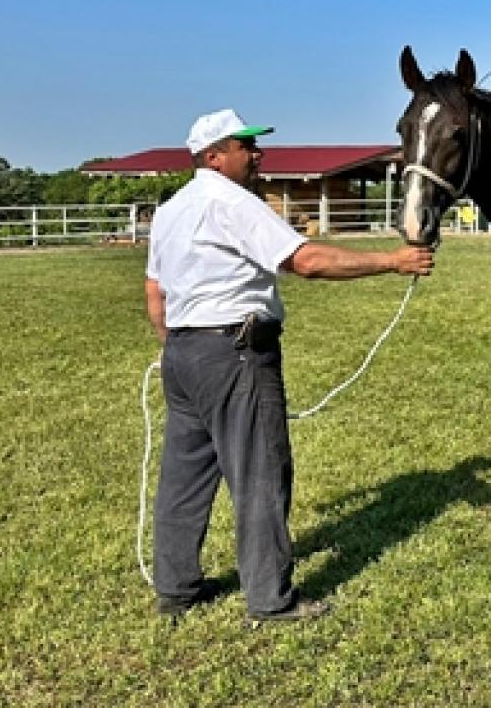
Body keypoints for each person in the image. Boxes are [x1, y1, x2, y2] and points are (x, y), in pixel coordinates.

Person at [143, 108, 434, 625]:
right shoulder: (232, 202)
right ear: (214, 156)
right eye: (244, 146)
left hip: (184, 355)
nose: (257, 154)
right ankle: (270, 599)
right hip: (235, 353)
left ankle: (176, 587)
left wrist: (177, 345)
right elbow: (306, 261)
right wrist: (393, 261)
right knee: (260, 473)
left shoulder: (172, 209)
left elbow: (154, 289)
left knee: (184, 476)